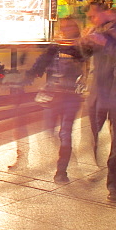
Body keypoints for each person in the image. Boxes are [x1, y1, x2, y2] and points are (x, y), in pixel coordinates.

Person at [81, 0, 116, 201]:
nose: (92, 20)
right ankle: (96, 169)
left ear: (107, 12)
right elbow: (86, 55)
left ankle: (115, 185)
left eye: (94, 15)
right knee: (92, 134)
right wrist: (85, 41)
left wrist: (106, 44)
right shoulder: (98, 30)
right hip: (98, 92)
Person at [28, 17, 85, 183]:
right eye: (63, 27)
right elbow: (40, 66)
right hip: (54, 97)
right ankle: (65, 155)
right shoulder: (56, 48)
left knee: (65, 133)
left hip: (70, 97)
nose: (64, 30)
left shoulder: (78, 48)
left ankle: (61, 171)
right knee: (50, 130)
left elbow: (82, 60)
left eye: (68, 28)